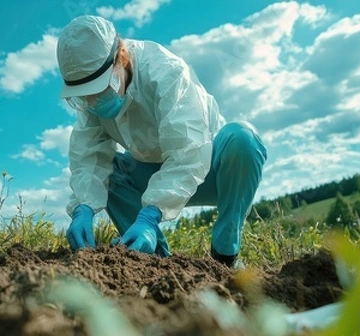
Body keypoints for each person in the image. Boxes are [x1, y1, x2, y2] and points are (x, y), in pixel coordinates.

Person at [56, 15, 267, 268]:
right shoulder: (92, 105)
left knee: (243, 139)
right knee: (109, 173)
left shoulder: (166, 72)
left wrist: (150, 216)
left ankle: (225, 252)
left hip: (208, 168)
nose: (93, 102)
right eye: (84, 96)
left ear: (121, 58)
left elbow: (188, 151)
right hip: (148, 174)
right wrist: (83, 208)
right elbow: (88, 157)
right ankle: (153, 261)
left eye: (101, 89)